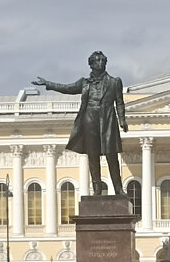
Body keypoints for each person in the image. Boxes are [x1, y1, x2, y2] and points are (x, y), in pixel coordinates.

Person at [32, 50, 129, 195]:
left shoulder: (115, 82)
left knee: (111, 154)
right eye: (97, 61)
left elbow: (119, 103)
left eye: (102, 61)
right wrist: (48, 84)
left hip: (107, 120)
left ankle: (118, 189)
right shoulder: (84, 83)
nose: (100, 63)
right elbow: (67, 88)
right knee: (93, 154)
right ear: (91, 64)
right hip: (89, 120)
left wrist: (122, 120)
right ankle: (97, 188)